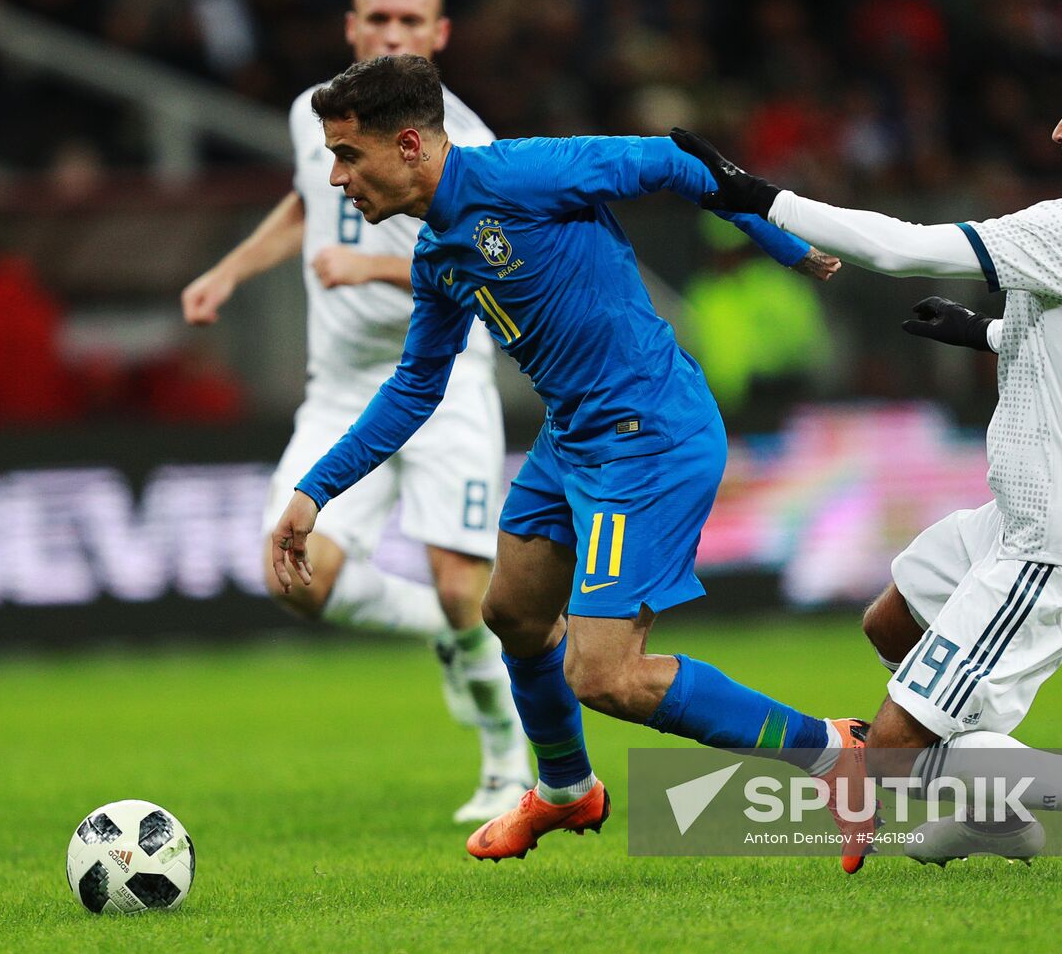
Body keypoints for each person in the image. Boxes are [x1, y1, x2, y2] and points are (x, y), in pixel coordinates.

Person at [267, 53, 876, 871]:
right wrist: (314, 492)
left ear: (410, 145)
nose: (337, 177)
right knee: (512, 611)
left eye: (347, 154)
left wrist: (781, 238)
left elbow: (675, 158)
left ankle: (834, 751)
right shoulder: (437, 253)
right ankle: (565, 790)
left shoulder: (524, 172)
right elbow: (415, 389)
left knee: (605, 675)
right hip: (573, 436)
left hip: (649, 433)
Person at [674, 36, 1062, 881]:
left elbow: (897, 245)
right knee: (890, 619)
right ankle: (995, 815)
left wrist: (758, 198)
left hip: (1058, 537)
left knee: (889, 751)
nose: (1058, 127)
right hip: (1028, 513)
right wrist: (986, 331)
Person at [180, 0, 531, 824]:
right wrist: (231, 271)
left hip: (440, 381)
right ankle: (449, 636)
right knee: (293, 576)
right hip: (341, 385)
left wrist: (368, 272)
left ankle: (504, 762)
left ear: (438, 38)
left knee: (462, 585)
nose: (393, 35)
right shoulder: (318, 116)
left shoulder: (467, 142)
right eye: (379, 19)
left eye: (411, 23)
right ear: (350, 29)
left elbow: (492, 271)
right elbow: (309, 203)